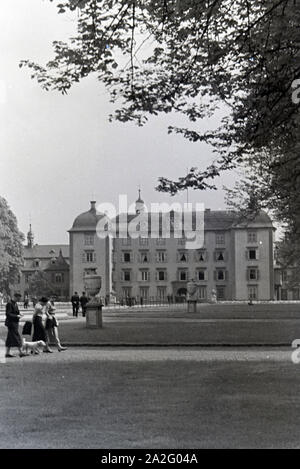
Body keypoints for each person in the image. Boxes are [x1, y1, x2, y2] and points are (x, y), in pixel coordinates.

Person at [5, 293, 26, 358]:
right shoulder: (9, 303)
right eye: (18, 298)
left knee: (10, 338)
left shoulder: (15, 303)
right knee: (16, 337)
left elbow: (15, 312)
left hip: (14, 323)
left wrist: (19, 313)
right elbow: (8, 314)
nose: (18, 300)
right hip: (11, 323)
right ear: (14, 297)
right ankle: (21, 352)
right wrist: (17, 316)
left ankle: (7, 353)